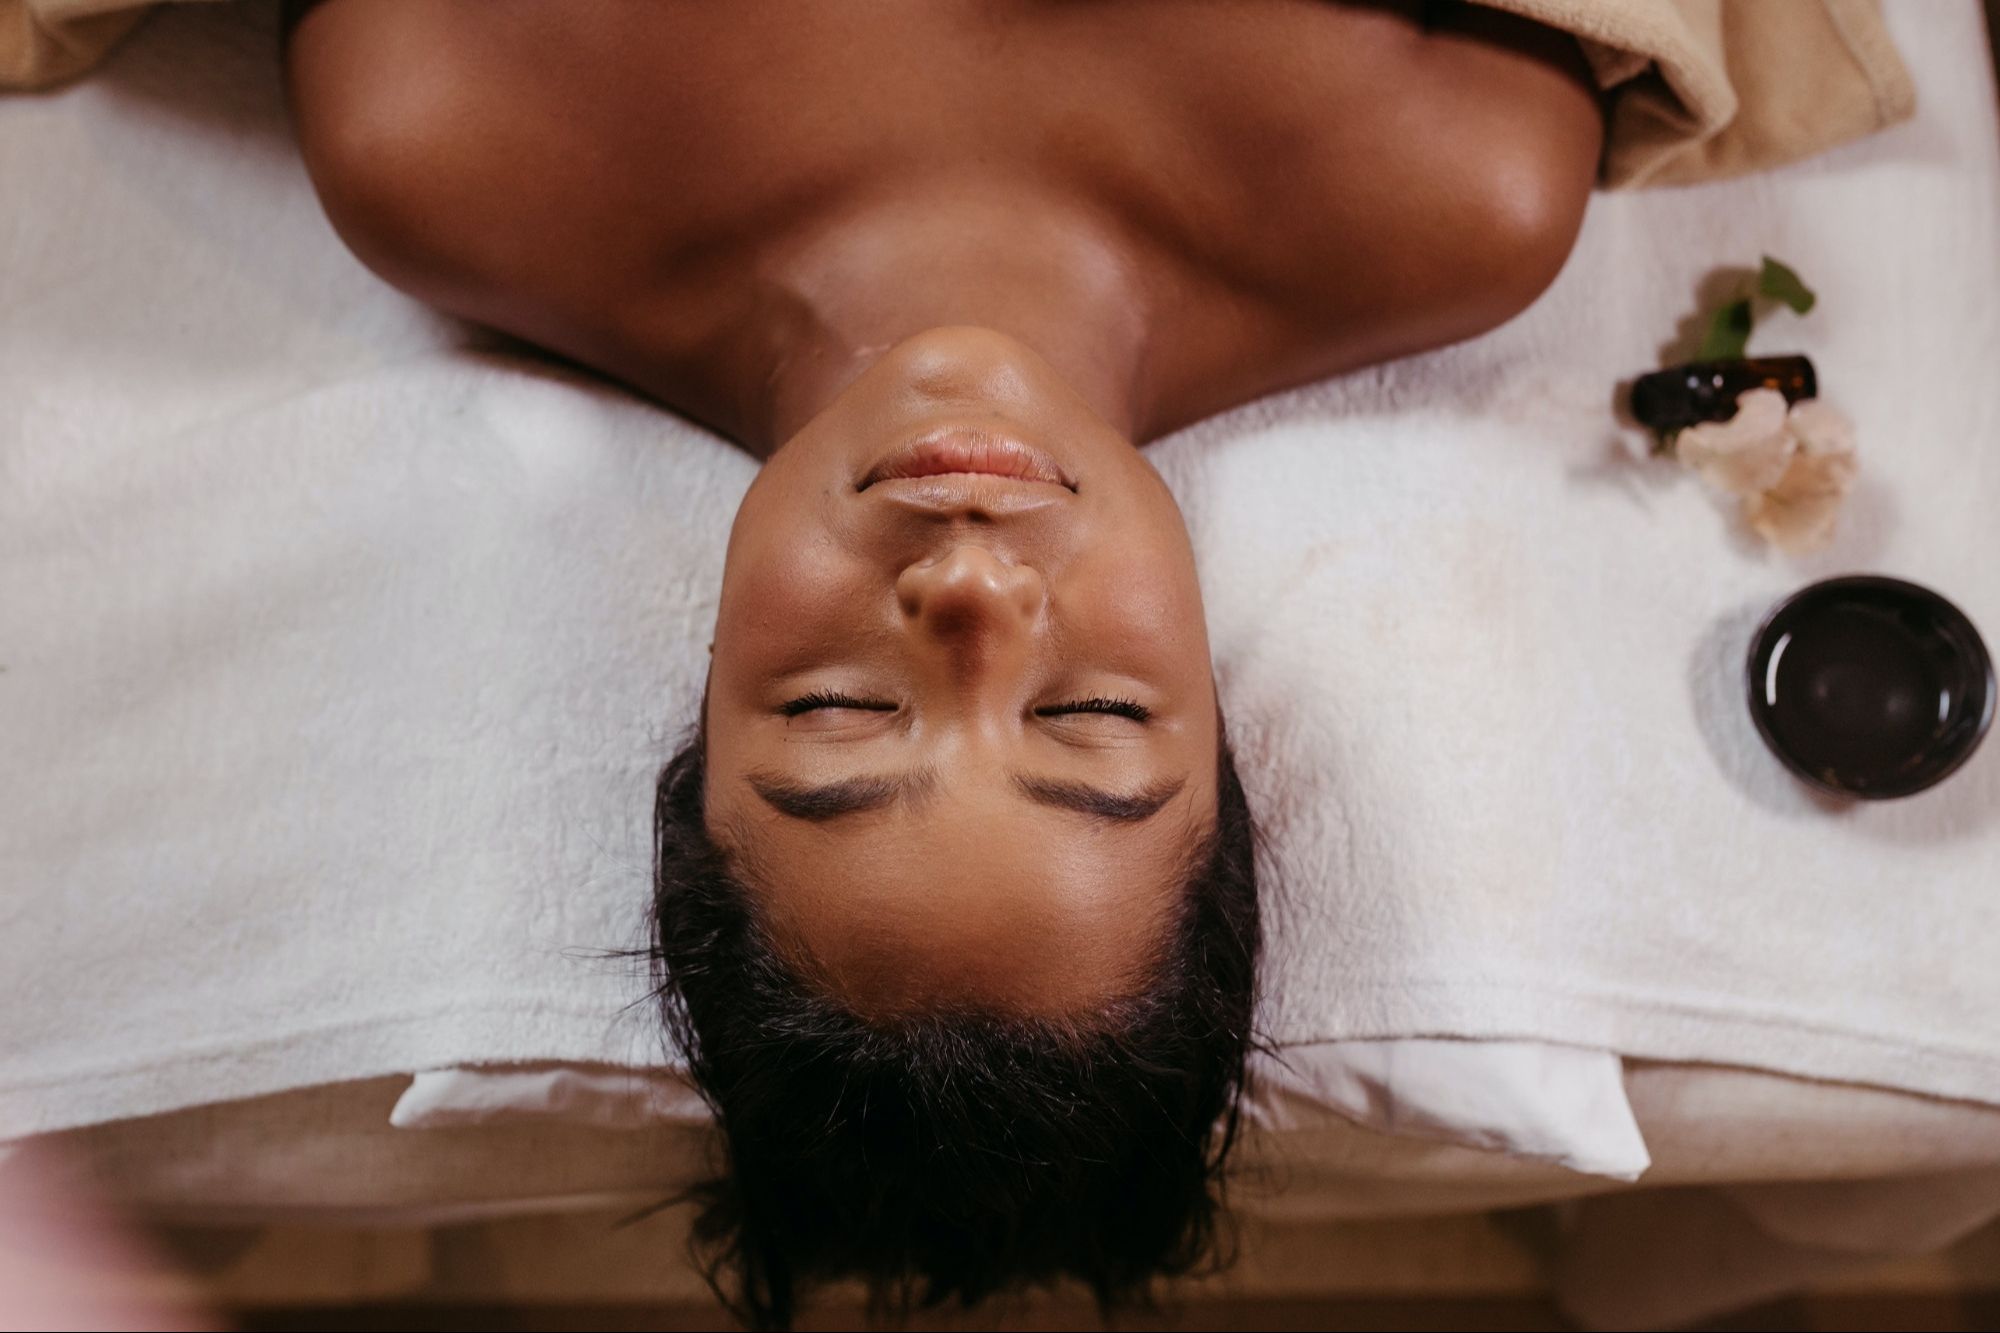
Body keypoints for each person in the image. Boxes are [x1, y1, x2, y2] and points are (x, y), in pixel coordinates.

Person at [281, 1, 1603, 1324]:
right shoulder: (1462, 173)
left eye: (839, 706)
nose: (971, 595)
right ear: (1221, 720)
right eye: (1091, 711)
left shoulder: (443, 123)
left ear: (703, 712)